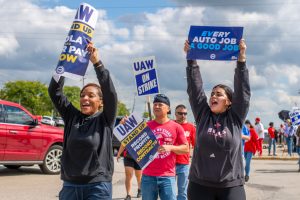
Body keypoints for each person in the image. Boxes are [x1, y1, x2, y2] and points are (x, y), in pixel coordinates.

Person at [48, 42, 118, 200]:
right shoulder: (72, 116)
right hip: (70, 186)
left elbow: (110, 93)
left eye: (91, 95)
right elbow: (54, 91)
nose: (85, 98)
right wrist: (65, 64)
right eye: (82, 95)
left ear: (100, 102)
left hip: (97, 186)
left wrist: (97, 64)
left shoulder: (105, 119)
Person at [184, 39, 250, 200]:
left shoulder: (235, 117)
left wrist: (241, 60)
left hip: (231, 186)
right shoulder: (203, 115)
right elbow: (195, 89)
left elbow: (243, 93)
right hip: (200, 185)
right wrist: (191, 58)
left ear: (229, 102)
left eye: (219, 94)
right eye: (212, 93)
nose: (213, 96)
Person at [142, 94, 189, 200]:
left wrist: (171, 148)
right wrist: (124, 124)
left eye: (160, 104)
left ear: (168, 109)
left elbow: (186, 148)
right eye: (155, 104)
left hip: (167, 176)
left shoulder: (176, 127)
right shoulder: (145, 126)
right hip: (148, 176)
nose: (156, 107)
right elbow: (132, 142)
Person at [174, 104, 196, 200]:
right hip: (169, 163)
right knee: (169, 191)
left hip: (184, 164)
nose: (183, 115)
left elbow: (196, 146)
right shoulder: (170, 124)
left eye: (185, 113)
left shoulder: (191, 127)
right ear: (175, 114)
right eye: (180, 113)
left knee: (182, 191)